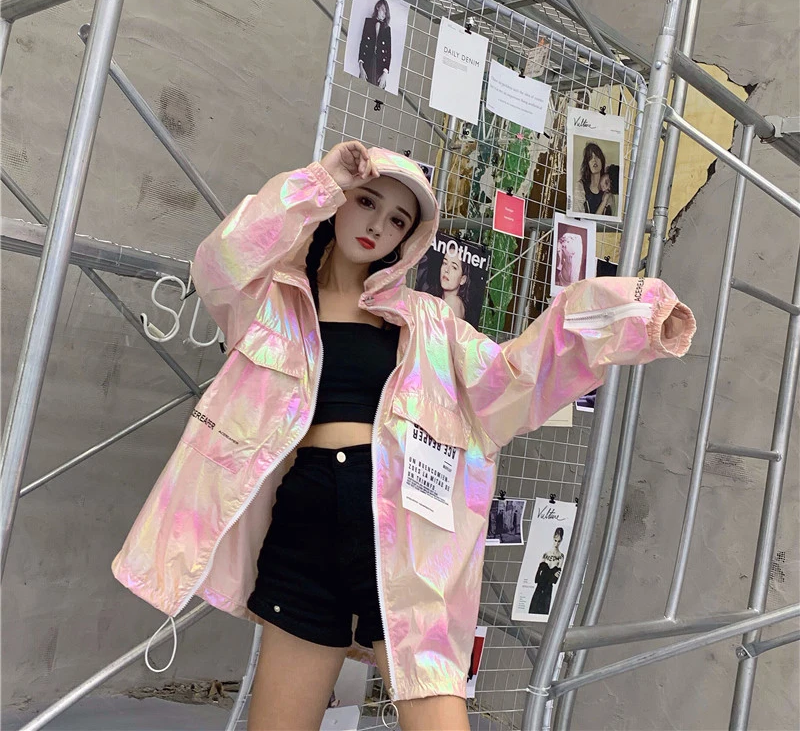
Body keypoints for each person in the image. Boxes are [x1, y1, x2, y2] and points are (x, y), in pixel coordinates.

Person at [113, 141, 696, 731]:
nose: (377, 226)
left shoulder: (429, 322)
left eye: (397, 220)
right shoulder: (272, 301)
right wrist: (320, 180)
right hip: (304, 526)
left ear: (410, 238)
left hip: (402, 532)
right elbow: (220, 261)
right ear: (340, 201)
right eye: (366, 202)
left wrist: (625, 316)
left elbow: (512, 380)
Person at [573, 142, 617, 216]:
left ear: (602, 160)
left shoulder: (609, 192)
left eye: (597, 156)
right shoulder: (580, 186)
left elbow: (611, 218)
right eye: (590, 158)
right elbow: (577, 217)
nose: (594, 160)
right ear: (587, 163)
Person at [528, 528, 565, 616]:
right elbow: (539, 570)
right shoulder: (546, 554)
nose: (556, 543)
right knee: (535, 604)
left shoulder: (561, 556)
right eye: (555, 540)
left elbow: (556, 575)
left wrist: (552, 577)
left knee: (545, 605)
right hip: (540, 584)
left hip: (548, 585)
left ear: (561, 541)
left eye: (559, 541)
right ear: (553, 538)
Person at [358, 0, 392, 89]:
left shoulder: (387, 29)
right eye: (383, 10)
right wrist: (361, 68)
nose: (384, 14)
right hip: (367, 62)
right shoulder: (368, 22)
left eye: (386, 12)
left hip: (380, 66)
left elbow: (388, 53)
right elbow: (363, 44)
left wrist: (385, 74)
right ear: (377, 7)